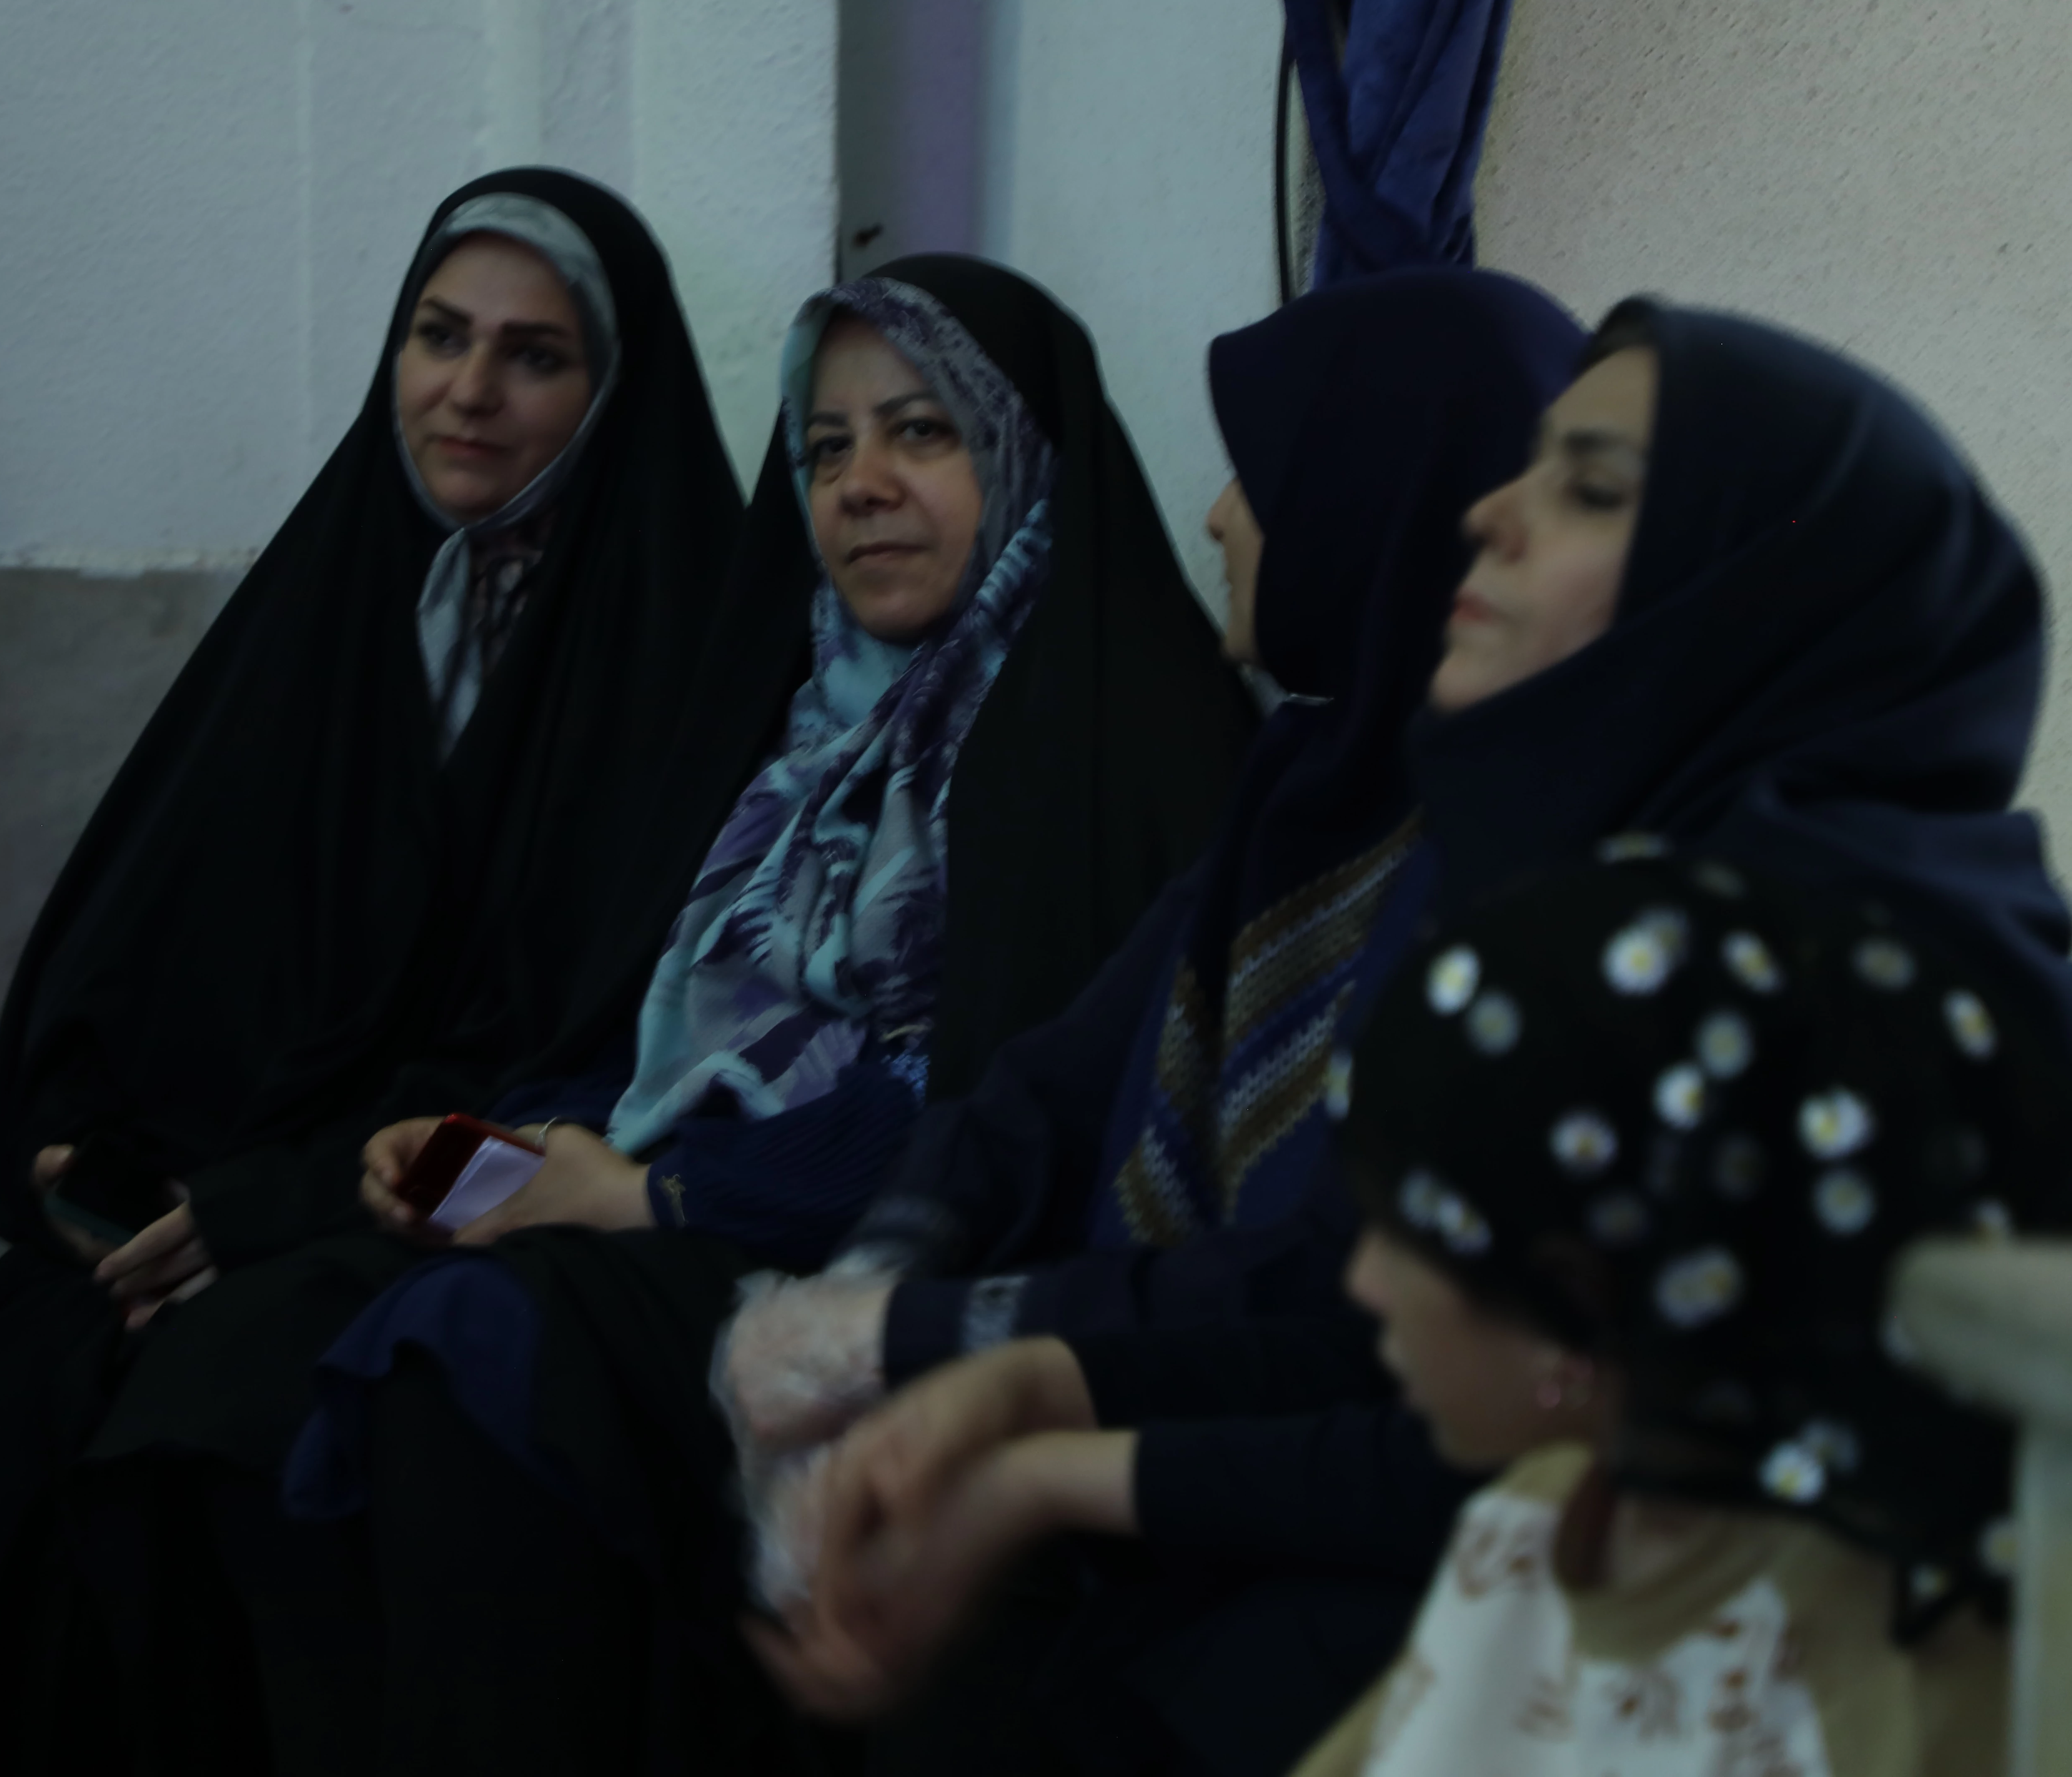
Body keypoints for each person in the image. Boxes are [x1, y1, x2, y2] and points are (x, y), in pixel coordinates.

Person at [747, 299, 2072, 1776]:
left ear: (1751, 585)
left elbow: (1503, 1426)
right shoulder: (1629, 887)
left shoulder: (1815, 967)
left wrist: (1025, 1426)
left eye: (1589, 488)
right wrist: (1015, 1390)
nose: (1491, 513)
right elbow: (1398, 1331)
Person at [240, 254, 1263, 1774]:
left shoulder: (1123, 735)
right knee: (265, 1333)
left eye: (922, 433)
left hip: (882, 1273)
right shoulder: (798, 721)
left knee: (469, 1349)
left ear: (1025, 451)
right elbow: (664, 1025)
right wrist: (480, 1150)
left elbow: (1005, 1112)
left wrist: (656, 1196)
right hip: (666, 1211)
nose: (862, 487)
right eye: (826, 448)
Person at [0, 168, 759, 1773]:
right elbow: (146, 945)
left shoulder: (687, 653)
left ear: (612, 393)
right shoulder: (343, 593)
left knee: (215, 1411)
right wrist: (105, 1157)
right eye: (439, 335)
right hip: (255, 1191)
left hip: (478, 1195)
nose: (468, 391)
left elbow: (590, 1060)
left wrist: (272, 1209)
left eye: (534, 356)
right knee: (13, 1388)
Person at [720, 268, 1582, 1774]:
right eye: (828, 448)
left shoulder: (1519, 861)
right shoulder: (1305, 778)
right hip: (1168, 1417)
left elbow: (1331, 1299)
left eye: (1262, 475)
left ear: (1379, 498)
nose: (1219, 516)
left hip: (1346, 1523)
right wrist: (872, 1280)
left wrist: (937, 1350)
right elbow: (1049, 1086)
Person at [1303, 849, 2064, 1775]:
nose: (1364, 1282)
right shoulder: (1539, 1513)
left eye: (1402, 1234)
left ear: (1577, 1290)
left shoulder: (1887, 1680)